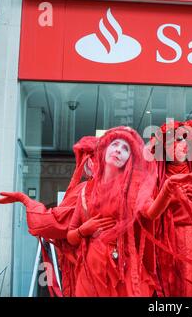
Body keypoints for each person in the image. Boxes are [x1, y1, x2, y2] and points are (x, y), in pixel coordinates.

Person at [0, 136, 98, 297]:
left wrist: (25, 200)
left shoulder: (88, 191)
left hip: (92, 274)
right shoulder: (121, 189)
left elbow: (51, 223)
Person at [66, 126, 156, 297]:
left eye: (125, 149)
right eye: (115, 144)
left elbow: (150, 212)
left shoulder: (133, 189)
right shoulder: (85, 191)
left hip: (125, 269)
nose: (118, 150)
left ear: (129, 159)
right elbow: (71, 236)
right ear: (105, 150)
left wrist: (167, 192)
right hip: (92, 269)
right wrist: (84, 230)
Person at [142, 120, 192, 296]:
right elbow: (147, 213)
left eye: (186, 139)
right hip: (164, 243)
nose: (183, 145)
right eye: (176, 140)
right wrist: (168, 198)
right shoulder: (155, 177)